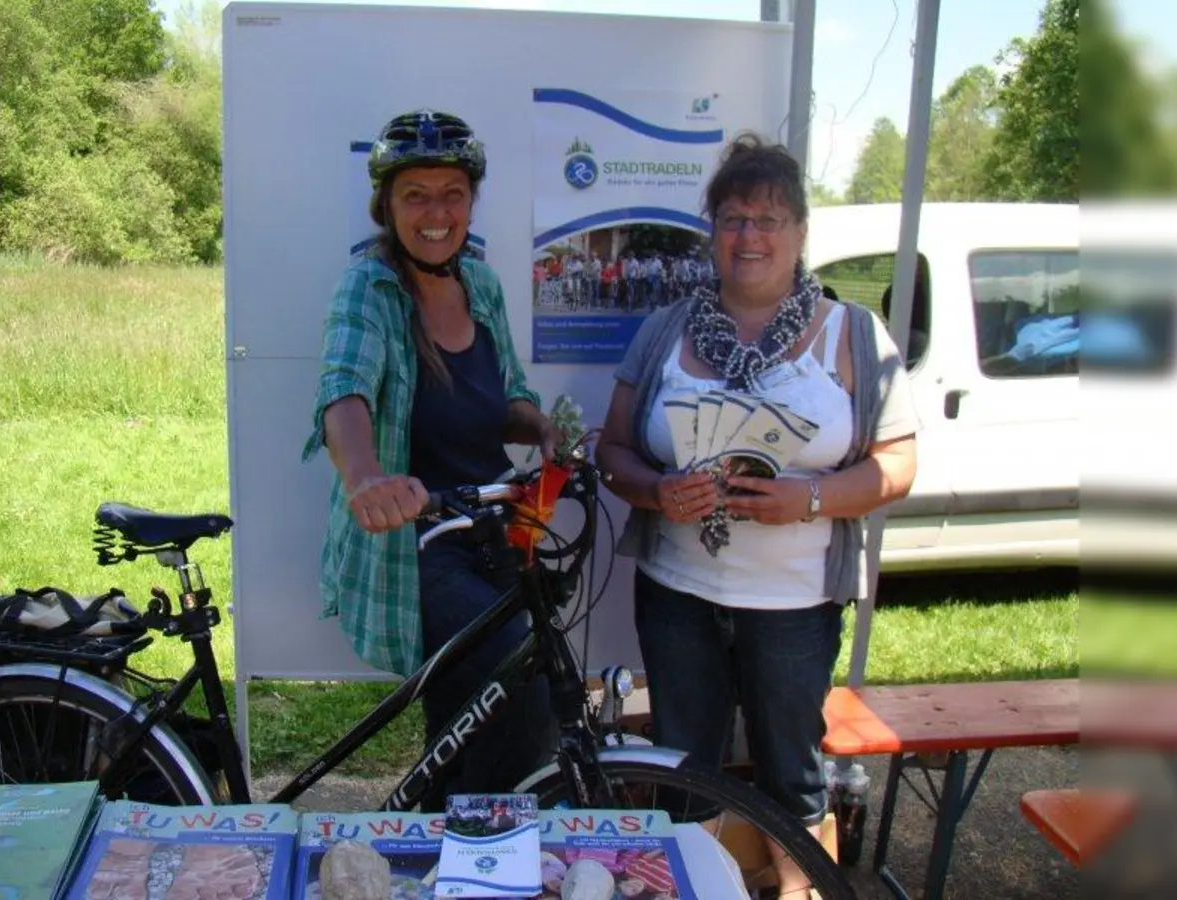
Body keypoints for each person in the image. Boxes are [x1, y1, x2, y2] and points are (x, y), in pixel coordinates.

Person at [593, 132, 919, 894]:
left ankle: (802, 889)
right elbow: (612, 451)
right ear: (713, 232)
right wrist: (654, 488)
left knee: (792, 775)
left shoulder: (853, 335)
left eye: (770, 219)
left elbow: (898, 465)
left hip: (794, 605)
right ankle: (694, 887)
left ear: (801, 233)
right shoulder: (666, 331)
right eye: (734, 218)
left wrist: (807, 496)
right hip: (679, 597)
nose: (750, 236)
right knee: (684, 767)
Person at [301, 109, 559, 811]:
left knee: (469, 712)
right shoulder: (370, 289)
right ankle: (482, 842)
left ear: (473, 200)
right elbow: (343, 389)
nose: (436, 212)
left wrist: (542, 428)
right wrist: (365, 478)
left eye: (453, 192)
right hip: (415, 543)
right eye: (416, 194)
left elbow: (503, 396)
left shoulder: (482, 285)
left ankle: (437, 842)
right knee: (519, 678)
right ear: (386, 205)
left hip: (488, 530)